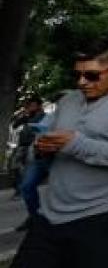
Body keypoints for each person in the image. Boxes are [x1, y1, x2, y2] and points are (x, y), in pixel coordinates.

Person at [12, 39, 108, 268]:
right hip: (49, 216)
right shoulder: (68, 101)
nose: (82, 82)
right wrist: (40, 149)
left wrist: (77, 144)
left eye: (91, 75)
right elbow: (47, 143)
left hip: (100, 219)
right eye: (77, 74)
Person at [15, 96, 50, 231]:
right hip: (35, 154)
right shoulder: (28, 117)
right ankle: (35, 217)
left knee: (61, 189)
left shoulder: (45, 116)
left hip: (54, 155)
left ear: (39, 106)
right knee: (26, 186)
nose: (29, 107)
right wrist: (24, 115)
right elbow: (15, 125)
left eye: (32, 105)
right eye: (28, 105)